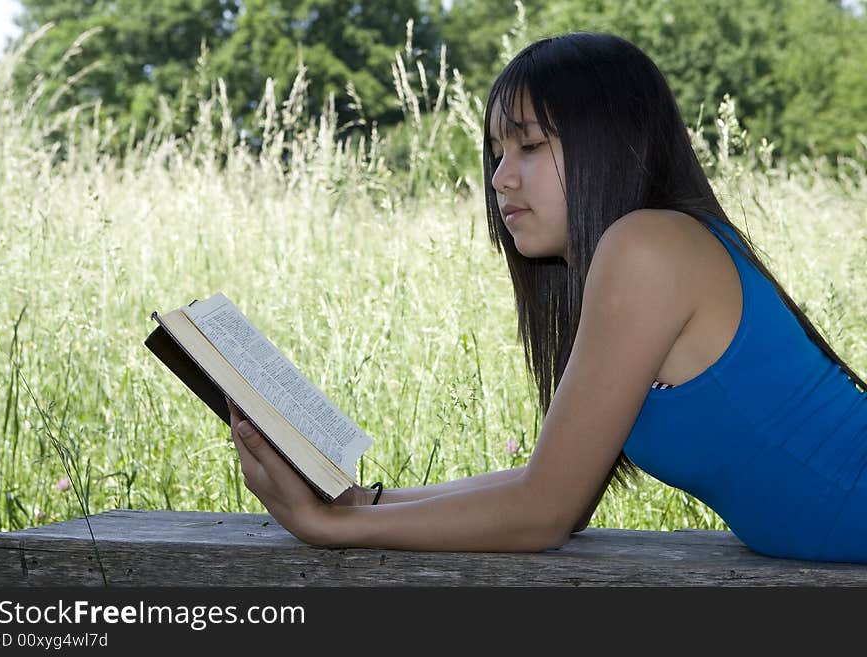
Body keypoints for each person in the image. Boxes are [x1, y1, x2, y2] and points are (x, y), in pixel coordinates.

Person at [228, 32, 867, 563]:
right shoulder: (642, 253)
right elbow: (554, 489)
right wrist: (361, 502)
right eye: (496, 152)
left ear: (610, 145)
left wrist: (332, 529)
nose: (501, 178)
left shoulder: (649, 247)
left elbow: (544, 513)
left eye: (530, 145)